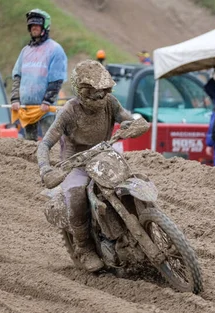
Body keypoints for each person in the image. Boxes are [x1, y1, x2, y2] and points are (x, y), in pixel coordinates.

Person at [37, 60, 149, 272]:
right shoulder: (69, 111)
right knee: (77, 195)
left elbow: (126, 118)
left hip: (103, 156)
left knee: (131, 180)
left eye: (103, 91)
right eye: (93, 91)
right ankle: (84, 247)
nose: (99, 96)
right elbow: (45, 143)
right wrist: (46, 168)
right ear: (81, 89)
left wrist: (134, 123)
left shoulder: (110, 103)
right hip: (75, 163)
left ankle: (141, 225)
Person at [11, 9, 68, 140]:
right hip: (27, 109)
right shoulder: (25, 51)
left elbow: (57, 79)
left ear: (44, 27)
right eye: (32, 26)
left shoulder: (55, 49)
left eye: (37, 25)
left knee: (50, 143)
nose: (34, 28)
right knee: (29, 144)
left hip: (45, 109)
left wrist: (47, 100)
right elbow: (17, 76)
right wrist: (15, 98)